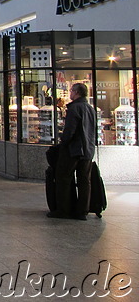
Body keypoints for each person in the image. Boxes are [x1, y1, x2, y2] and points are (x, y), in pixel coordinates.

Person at [47, 83, 96, 220]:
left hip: (73, 150)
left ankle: (63, 210)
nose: (70, 93)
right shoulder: (90, 109)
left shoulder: (74, 108)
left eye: (71, 91)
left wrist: (63, 143)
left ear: (76, 92)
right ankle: (82, 211)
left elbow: (70, 131)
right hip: (88, 150)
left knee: (63, 178)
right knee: (84, 181)